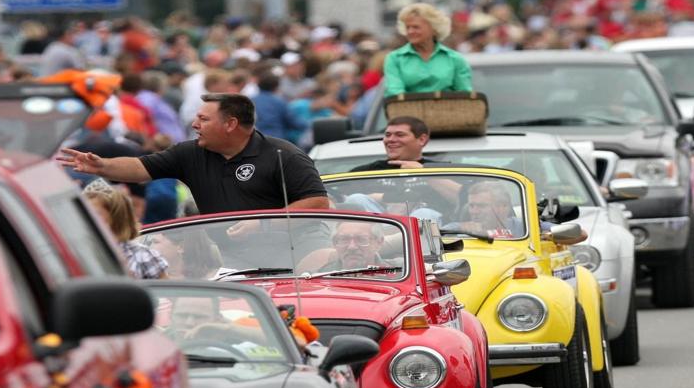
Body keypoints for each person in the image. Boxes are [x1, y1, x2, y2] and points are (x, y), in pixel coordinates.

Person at [56, 93, 331, 217]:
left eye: (203, 119)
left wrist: (264, 223)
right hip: (223, 263)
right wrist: (101, 166)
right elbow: (139, 168)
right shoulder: (190, 153)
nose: (194, 125)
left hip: (289, 262)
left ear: (231, 124)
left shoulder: (285, 155)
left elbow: (318, 202)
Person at [384, 4, 473, 96]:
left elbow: (465, 96)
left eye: (416, 27)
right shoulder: (395, 59)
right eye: (407, 27)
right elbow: (395, 94)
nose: (410, 31)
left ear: (434, 28)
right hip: (407, 110)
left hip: (447, 110)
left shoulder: (455, 59)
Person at [293, 220, 400, 274]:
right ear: (335, 244)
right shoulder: (319, 277)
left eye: (361, 239)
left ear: (379, 243)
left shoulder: (399, 273)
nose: (351, 247)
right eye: (344, 239)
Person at [349, 116, 432, 171]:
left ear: (421, 139)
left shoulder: (439, 170)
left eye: (400, 135)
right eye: (388, 135)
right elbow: (339, 196)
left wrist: (422, 171)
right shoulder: (363, 173)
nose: (391, 140)